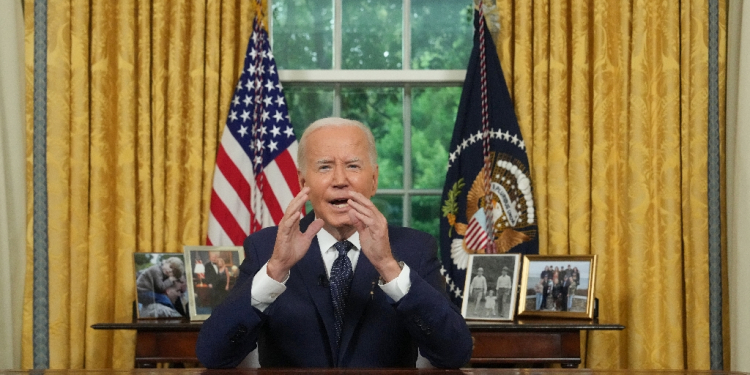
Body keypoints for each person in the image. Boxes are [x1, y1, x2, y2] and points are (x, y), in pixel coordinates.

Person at [196, 118, 473, 368]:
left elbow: (454, 354)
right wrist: (276, 270)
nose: (340, 180)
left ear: (374, 180)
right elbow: (213, 355)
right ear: (303, 181)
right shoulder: (266, 248)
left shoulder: (414, 248)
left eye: (353, 166)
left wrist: (389, 266)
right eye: (325, 167)